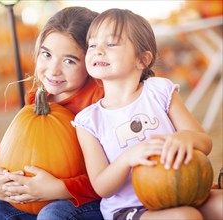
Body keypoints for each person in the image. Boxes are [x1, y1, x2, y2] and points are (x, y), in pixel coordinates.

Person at [72, 8, 223, 220]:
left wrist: (184, 138)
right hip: (131, 209)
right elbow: (102, 187)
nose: (98, 50)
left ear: (142, 60)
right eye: (93, 44)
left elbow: (205, 143)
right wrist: (127, 159)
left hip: (184, 190)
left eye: (112, 43)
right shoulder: (88, 121)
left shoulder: (159, 91)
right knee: (185, 217)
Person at [0, 6, 105, 220]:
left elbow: (114, 174)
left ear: (91, 61)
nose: (53, 70)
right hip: (41, 198)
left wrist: (58, 189)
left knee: (52, 214)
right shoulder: (38, 98)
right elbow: (12, 146)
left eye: (69, 60)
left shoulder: (99, 101)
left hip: (93, 201)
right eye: (46, 54)